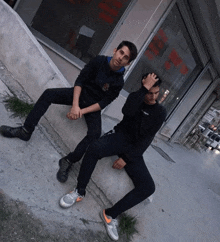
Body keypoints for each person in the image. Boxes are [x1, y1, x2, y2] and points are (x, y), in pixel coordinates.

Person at [0, 41, 138, 183]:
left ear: (127, 63)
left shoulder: (118, 82)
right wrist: (75, 105)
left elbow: (103, 103)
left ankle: (68, 160)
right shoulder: (99, 61)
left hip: (92, 106)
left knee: (95, 134)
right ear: (115, 50)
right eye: (121, 52)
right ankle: (26, 130)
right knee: (48, 94)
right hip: (79, 95)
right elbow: (80, 80)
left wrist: (80, 111)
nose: (121, 57)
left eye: (126, 57)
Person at [58, 73, 167, 241]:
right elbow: (127, 111)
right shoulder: (135, 98)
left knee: (148, 187)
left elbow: (147, 139)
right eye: (149, 92)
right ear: (143, 86)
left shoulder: (160, 111)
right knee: (93, 148)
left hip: (135, 149)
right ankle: (79, 191)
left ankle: (110, 214)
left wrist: (128, 158)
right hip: (120, 136)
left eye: (156, 93)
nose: (153, 97)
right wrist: (142, 91)